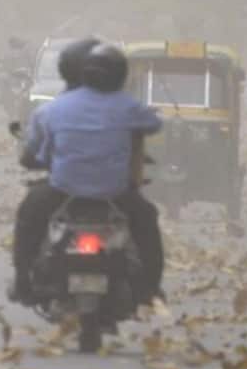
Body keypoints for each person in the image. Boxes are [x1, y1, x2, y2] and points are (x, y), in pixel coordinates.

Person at [10, 38, 165, 308]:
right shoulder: (128, 106)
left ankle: (22, 281)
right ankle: (151, 289)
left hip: (62, 191)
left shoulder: (51, 109)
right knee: (146, 221)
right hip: (115, 194)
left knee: (29, 217)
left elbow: (31, 154)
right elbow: (153, 123)